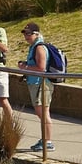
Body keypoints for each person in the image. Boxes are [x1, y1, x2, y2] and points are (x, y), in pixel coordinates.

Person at [19, 22, 55, 152]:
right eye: (25, 34)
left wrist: (25, 67)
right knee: (42, 113)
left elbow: (41, 68)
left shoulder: (39, 47)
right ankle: (45, 140)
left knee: (43, 113)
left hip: (41, 84)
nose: (26, 36)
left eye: (29, 34)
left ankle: (48, 142)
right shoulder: (34, 46)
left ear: (36, 34)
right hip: (36, 83)